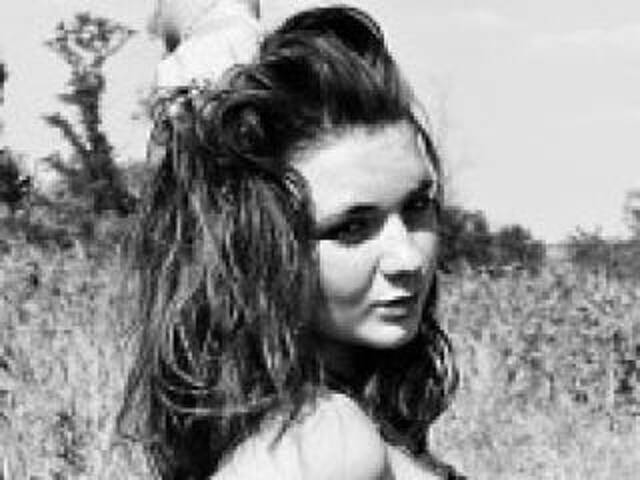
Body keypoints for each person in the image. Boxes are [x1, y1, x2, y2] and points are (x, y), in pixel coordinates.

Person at [117, 4, 464, 479]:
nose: (408, 258)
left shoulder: (328, 422)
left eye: (417, 206)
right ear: (261, 248)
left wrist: (217, 23)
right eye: (351, 228)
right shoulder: (322, 438)